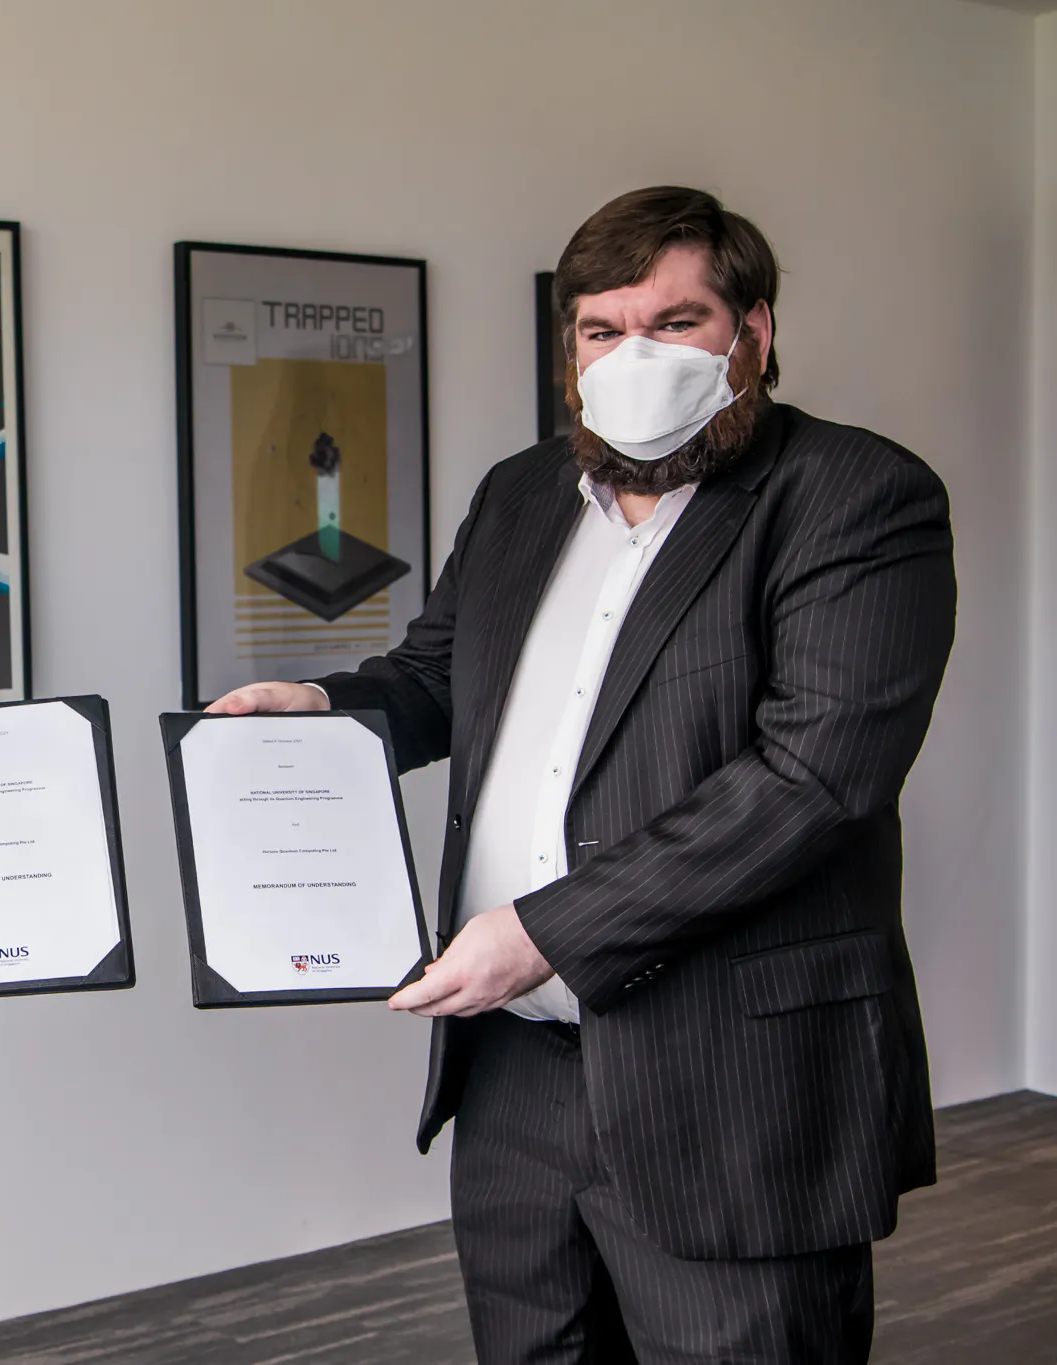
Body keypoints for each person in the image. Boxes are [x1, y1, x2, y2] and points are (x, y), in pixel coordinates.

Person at [213, 186, 956, 1363]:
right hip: (513, 1064)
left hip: (730, 1078)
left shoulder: (853, 497)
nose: (632, 357)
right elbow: (431, 679)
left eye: (674, 322)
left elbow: (811, 778)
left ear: (750, 334)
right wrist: (319, 708)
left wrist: (544, 928)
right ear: (569, 351)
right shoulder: (518, 495)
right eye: (601, 331)